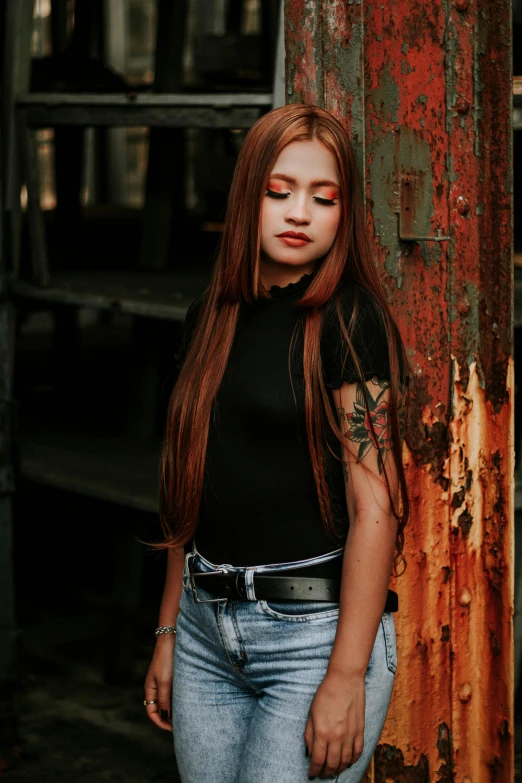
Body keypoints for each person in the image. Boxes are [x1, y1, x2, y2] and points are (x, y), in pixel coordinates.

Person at [144, 103, 410, 782]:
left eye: (324, 198)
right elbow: (189, 484)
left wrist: (347, 674)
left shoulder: (349, 321)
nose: (299, 212)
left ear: (344, 212)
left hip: (313, 639)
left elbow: (375, 501)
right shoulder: (209, 315)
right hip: (205, 631)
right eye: (279, 190)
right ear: (247, 197)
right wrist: (169, 631)